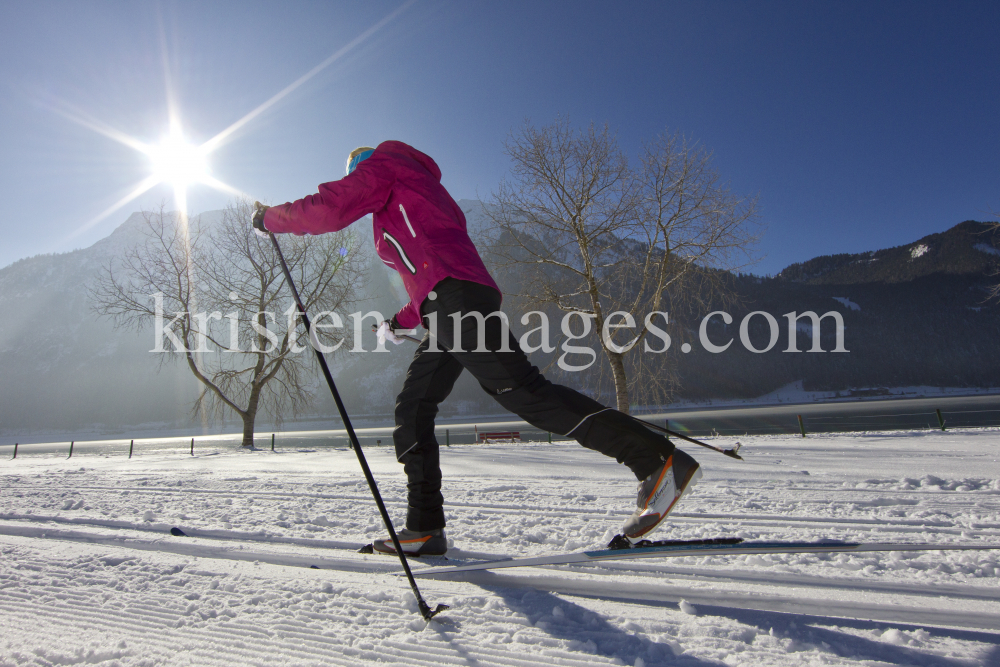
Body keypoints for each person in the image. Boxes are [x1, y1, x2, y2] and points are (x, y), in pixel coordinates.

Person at [253, 141, 701, 556]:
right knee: (413, 407)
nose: (355, 177)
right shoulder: (419, 188)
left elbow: (330, 209)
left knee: (526, 394)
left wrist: (271, 218)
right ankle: (424, 528)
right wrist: (400, 321)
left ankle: (658, 462)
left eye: (354, 171)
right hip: (445, 304)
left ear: (360, 166)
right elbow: (431, 265)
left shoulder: (385, 166)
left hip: (454, 303)